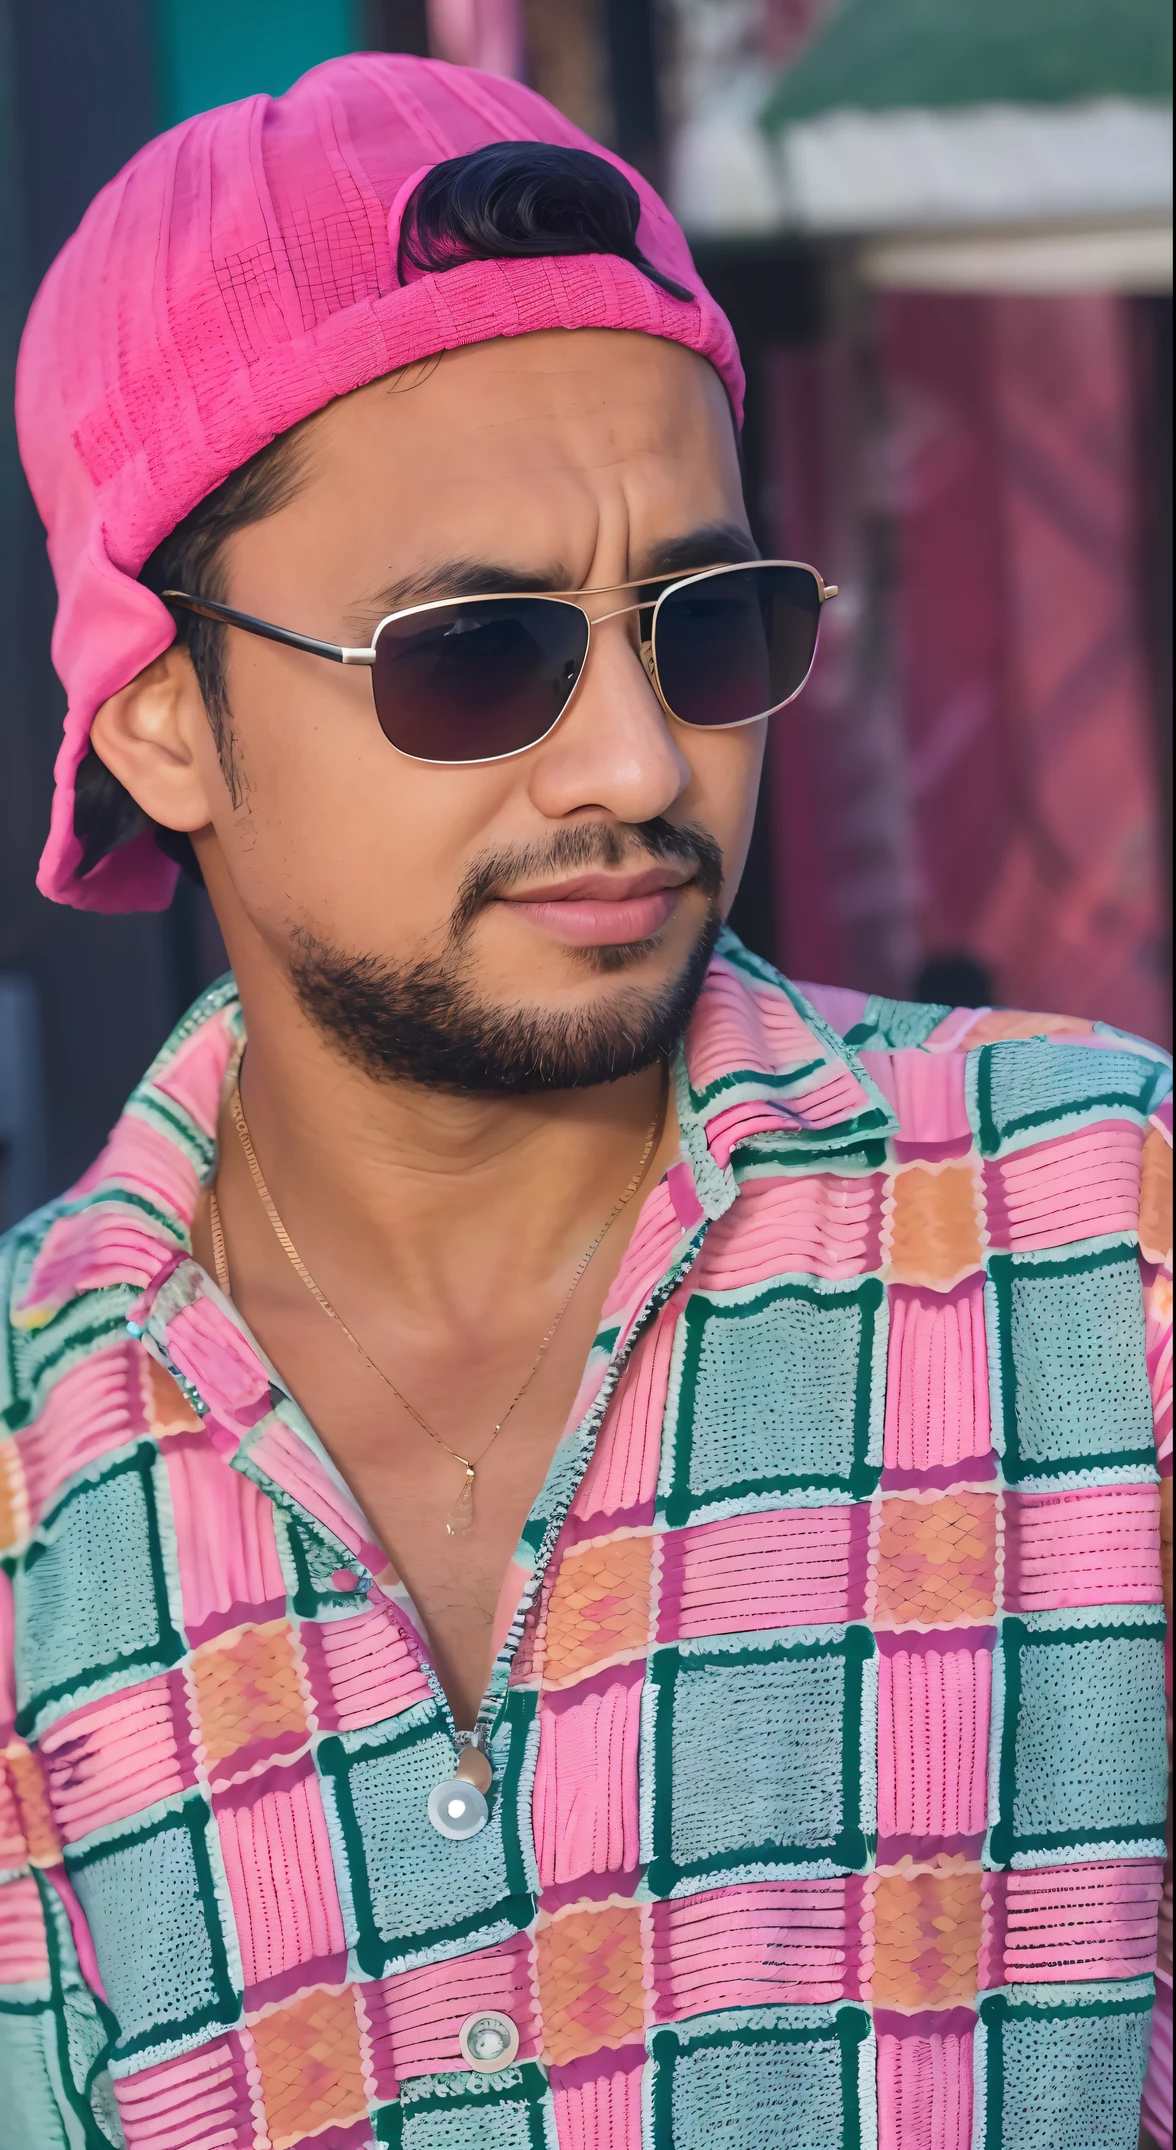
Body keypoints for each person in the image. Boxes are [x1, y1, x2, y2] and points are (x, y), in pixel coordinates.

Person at [1, 55, 1170, 2150]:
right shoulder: (28, 1483)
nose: (635, 761)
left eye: (708, 630)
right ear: (166, 719)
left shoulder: (1110, 1247)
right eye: (479, 654)